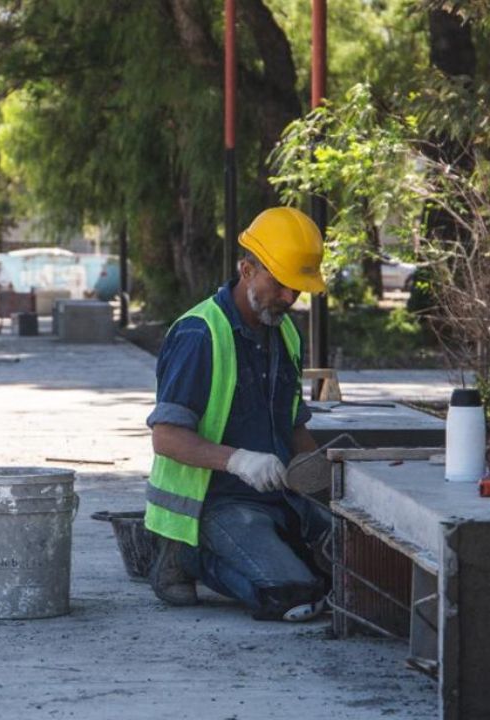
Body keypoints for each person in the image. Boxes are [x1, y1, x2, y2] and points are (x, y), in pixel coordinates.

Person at [145, 206, 331, 622]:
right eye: (280, 284)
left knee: (343, 574)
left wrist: (322, 479)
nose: (289, 298)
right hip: (213, 504)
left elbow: (294, 424)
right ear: (246, 269)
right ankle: (185, 558)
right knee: (291, 596)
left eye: (296, 289)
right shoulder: (199, 334)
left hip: (277, 498)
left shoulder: (284, 332)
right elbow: (167, 437)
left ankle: (275, 556)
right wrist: (239, 461)